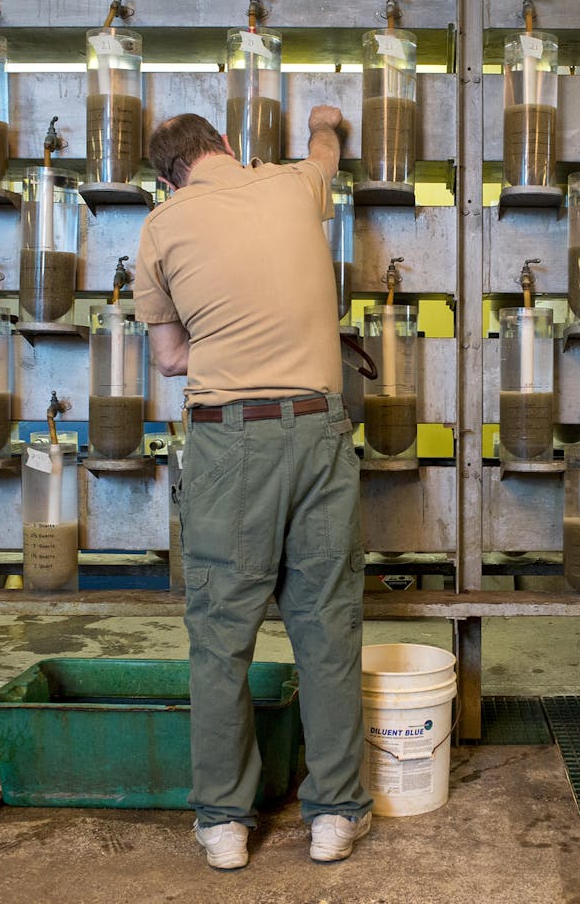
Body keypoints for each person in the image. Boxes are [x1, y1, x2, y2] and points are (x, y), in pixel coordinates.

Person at [133, 107, 372, 871]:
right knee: (327, 625)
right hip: (321, 432)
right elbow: (325, 152)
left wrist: (229, 326)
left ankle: (225, 824)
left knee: (221, 637)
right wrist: (327, 122)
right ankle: (335, 813)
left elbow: (171, 359)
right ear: (228, 149)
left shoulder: (162, 227)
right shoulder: (296, 183)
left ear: (167, 176)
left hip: (231, 441)